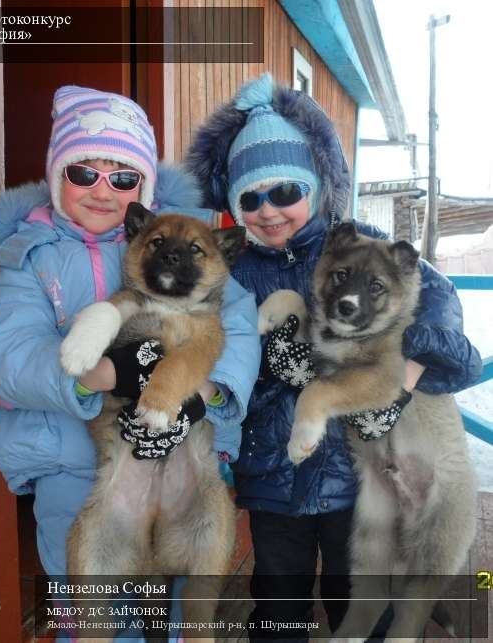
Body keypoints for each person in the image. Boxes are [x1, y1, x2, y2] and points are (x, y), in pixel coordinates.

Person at [186, 73, 482, 640]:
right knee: (277, 596)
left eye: (286, 193)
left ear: (315, 187)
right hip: (272, 467)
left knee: (362, 595)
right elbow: (205, 339)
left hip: (354, 472)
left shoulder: (355, 243)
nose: (269, 210)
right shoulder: (234, 267)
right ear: (233, 203)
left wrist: (403, 377)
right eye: (251, 198)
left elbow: (437, 299)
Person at [0, 85, 260, 600]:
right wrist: (105, 375)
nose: (103, 191)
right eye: (84, 173)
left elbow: (234, 327)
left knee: (178, 602)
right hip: (69, 462)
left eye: (123, 177)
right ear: (57, 177)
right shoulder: (29, 255)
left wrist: (203, 394)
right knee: (89, 604)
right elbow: (5, 353)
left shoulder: (178, 235)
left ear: (143, 187)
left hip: (181, 447)